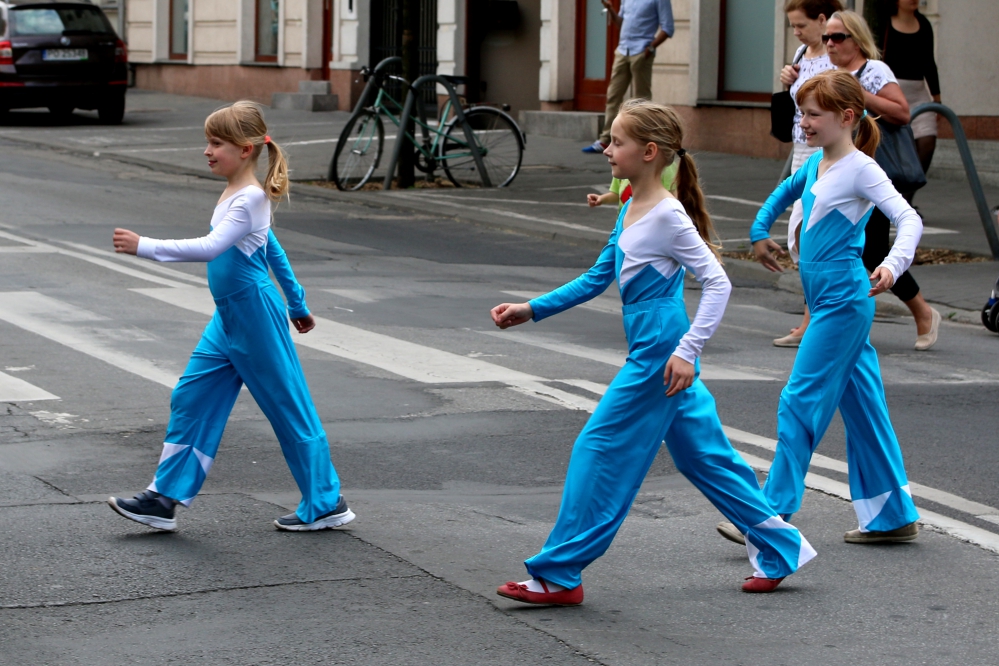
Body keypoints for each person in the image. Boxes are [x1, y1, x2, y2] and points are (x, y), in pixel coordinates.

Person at [493, 99, 816, 604]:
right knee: (705, 459)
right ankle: (782, 547)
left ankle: (559, 574)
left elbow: (718, 283)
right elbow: (597, 277)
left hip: (661, 351)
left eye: (616, 141)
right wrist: (531, 309)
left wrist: (686, 352)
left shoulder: (668, 215)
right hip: (658, 345)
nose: (607, 149)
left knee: (598, 449)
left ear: (648, 152)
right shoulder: (630, 206)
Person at [107, 102, 353, 533]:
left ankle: (326, 501)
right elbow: (272, 249)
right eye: (208, 142)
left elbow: (210, 247)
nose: (207, 151)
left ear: (245, 150)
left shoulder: (252, 197)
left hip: (255, 315)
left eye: (216, 143)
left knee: (288, 407)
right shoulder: (238, 195)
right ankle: (163, 498)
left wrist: (144, 245)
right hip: (229, 316)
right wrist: (297, 303)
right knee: (192, 395)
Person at [738, 70, 922, 547]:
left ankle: (769, 515)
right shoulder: (819, 161)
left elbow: (908, 219)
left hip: (843, 301)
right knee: (865, 412)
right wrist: (759, 231)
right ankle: (892, 516)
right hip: (826, 299)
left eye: (813, 114)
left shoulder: (861, 168)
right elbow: (783, 192)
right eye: (801, 113)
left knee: (799, 400)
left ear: (846, 117)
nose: (803, 122)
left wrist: (892, 265)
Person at [772, 10, 940, 351]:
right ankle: (813, 321)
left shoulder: (874, 70)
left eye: (838, 37)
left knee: (873, 249)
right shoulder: (823, 69)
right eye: (827, 37)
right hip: (821, 162)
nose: (830, 43)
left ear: (857, 40)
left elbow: (902, 112)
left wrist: (857, 95)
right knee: (813, 236)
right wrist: (790, 83)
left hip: (869, 169)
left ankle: (922, 312)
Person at [771, 0, 843, 347]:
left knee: (807, 233)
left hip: (825, 151)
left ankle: (814, 320)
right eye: (793, 26)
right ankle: (815, 318)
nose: (796, 32)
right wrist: (788, 79)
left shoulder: (835, 57)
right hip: (802, 150)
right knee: (801, 235)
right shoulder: (802, 53)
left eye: (801, 25)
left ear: (822, 19)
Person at [582, 0, 674, 153]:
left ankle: (641, 140)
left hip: (642, 51)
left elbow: (668, 28)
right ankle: (606, 140)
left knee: (641, 99)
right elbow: (621, 23)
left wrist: (650, 48)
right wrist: (610, 10)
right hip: (623, 50)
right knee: (613, 95)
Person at [881, 0, 940, 180]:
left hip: (918, 93)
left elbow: (929, 62)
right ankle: (893, 193)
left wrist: (937, 98)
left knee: (927, 141)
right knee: (894, 147)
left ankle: (908, 193)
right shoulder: (884, 23)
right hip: (890, 92)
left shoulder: (924, 24)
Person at [587, 161, 678, 210]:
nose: (606, 150)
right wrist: (601, 199)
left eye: (618, 144)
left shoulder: (666, 168)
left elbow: (672, 200)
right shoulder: (621, 168)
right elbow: (617, 194)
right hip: (624, 226)